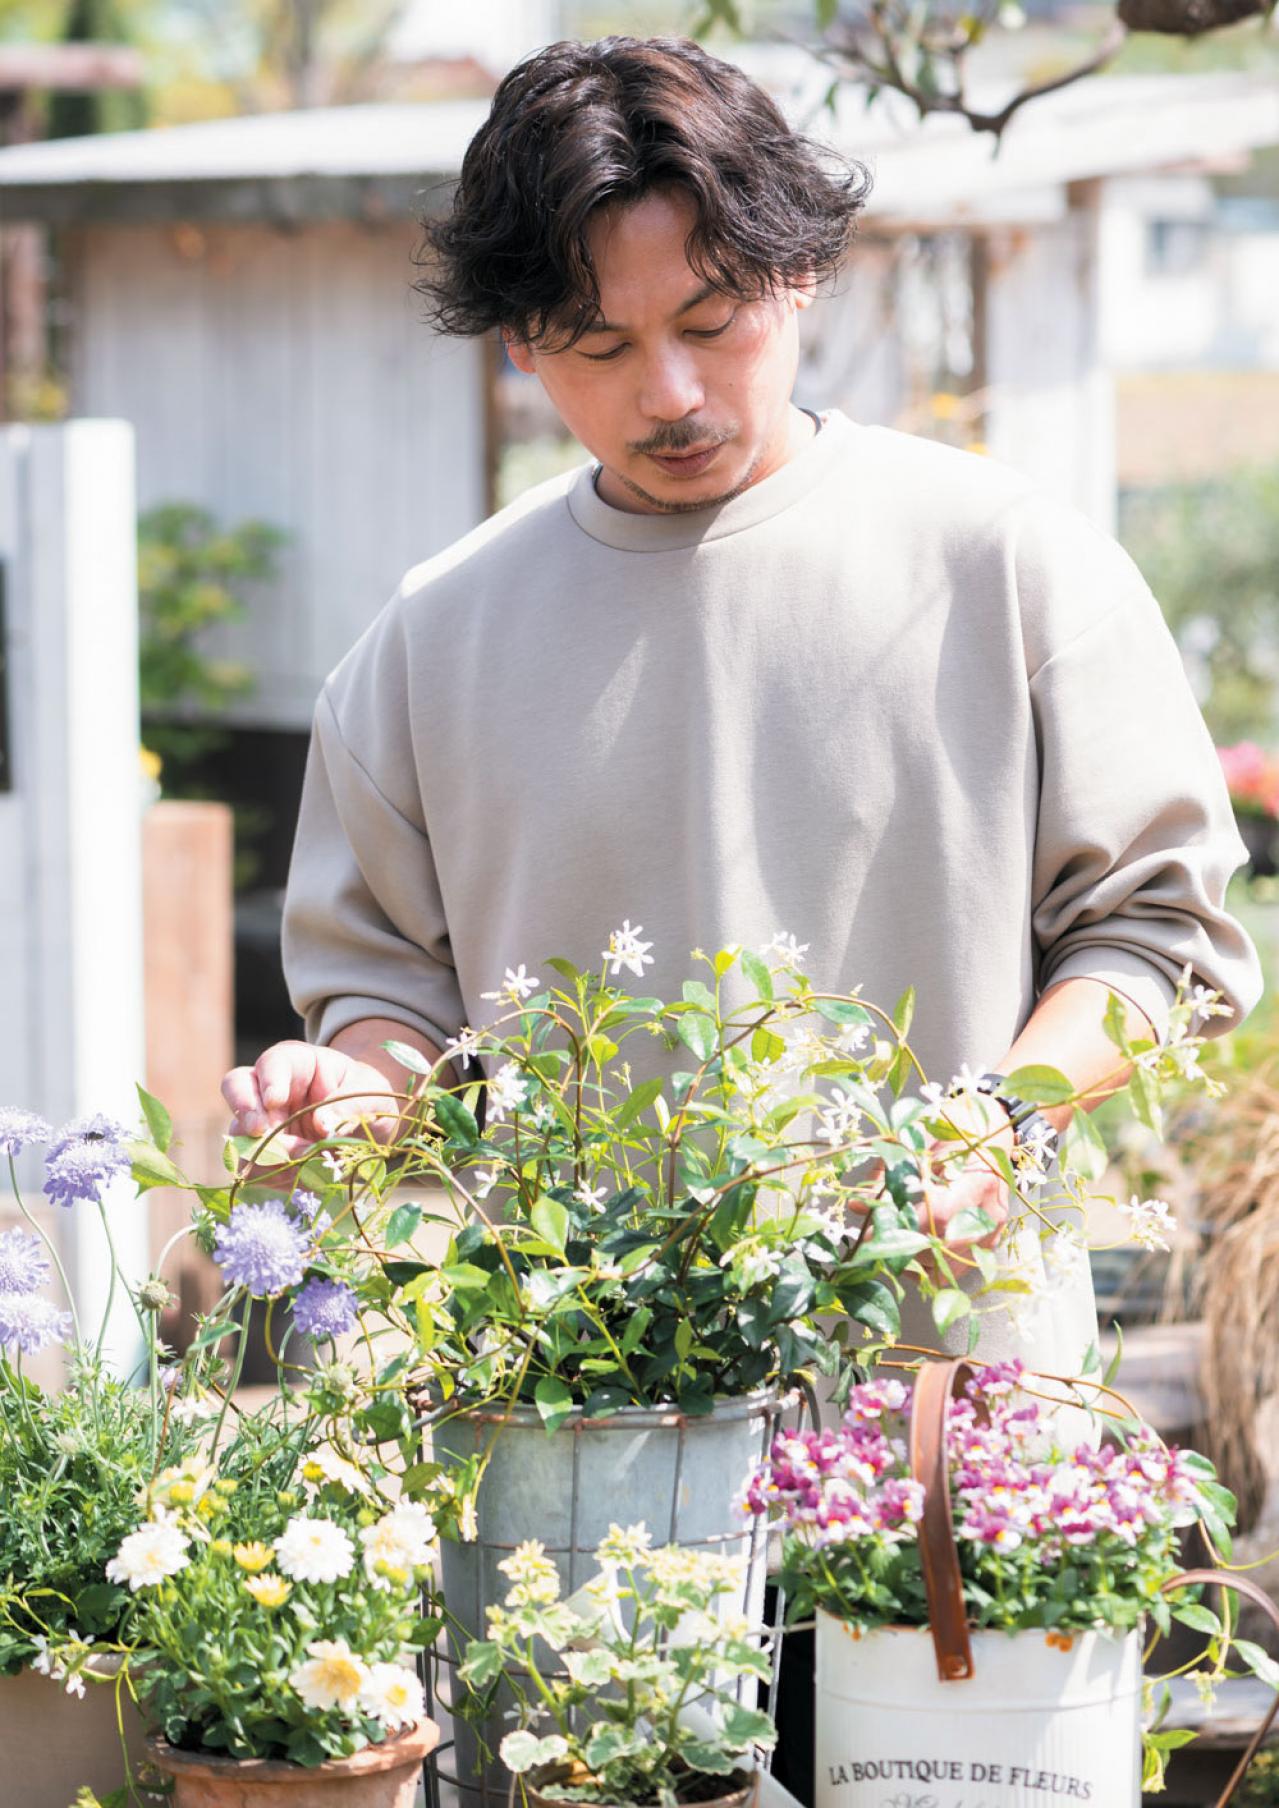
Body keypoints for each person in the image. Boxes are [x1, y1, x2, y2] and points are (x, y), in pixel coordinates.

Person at [221, 35, 1261, 1377]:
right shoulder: (433, 638)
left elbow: (1158, 939)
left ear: (802, 269)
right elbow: (388, 1000)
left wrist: (1000, 1121)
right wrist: (357, 1087)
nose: (669, 394)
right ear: (522, 348)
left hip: (960, 1417)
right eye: (599, 344)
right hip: (582, 1432)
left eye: (711, 325)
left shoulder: (1006, 564)